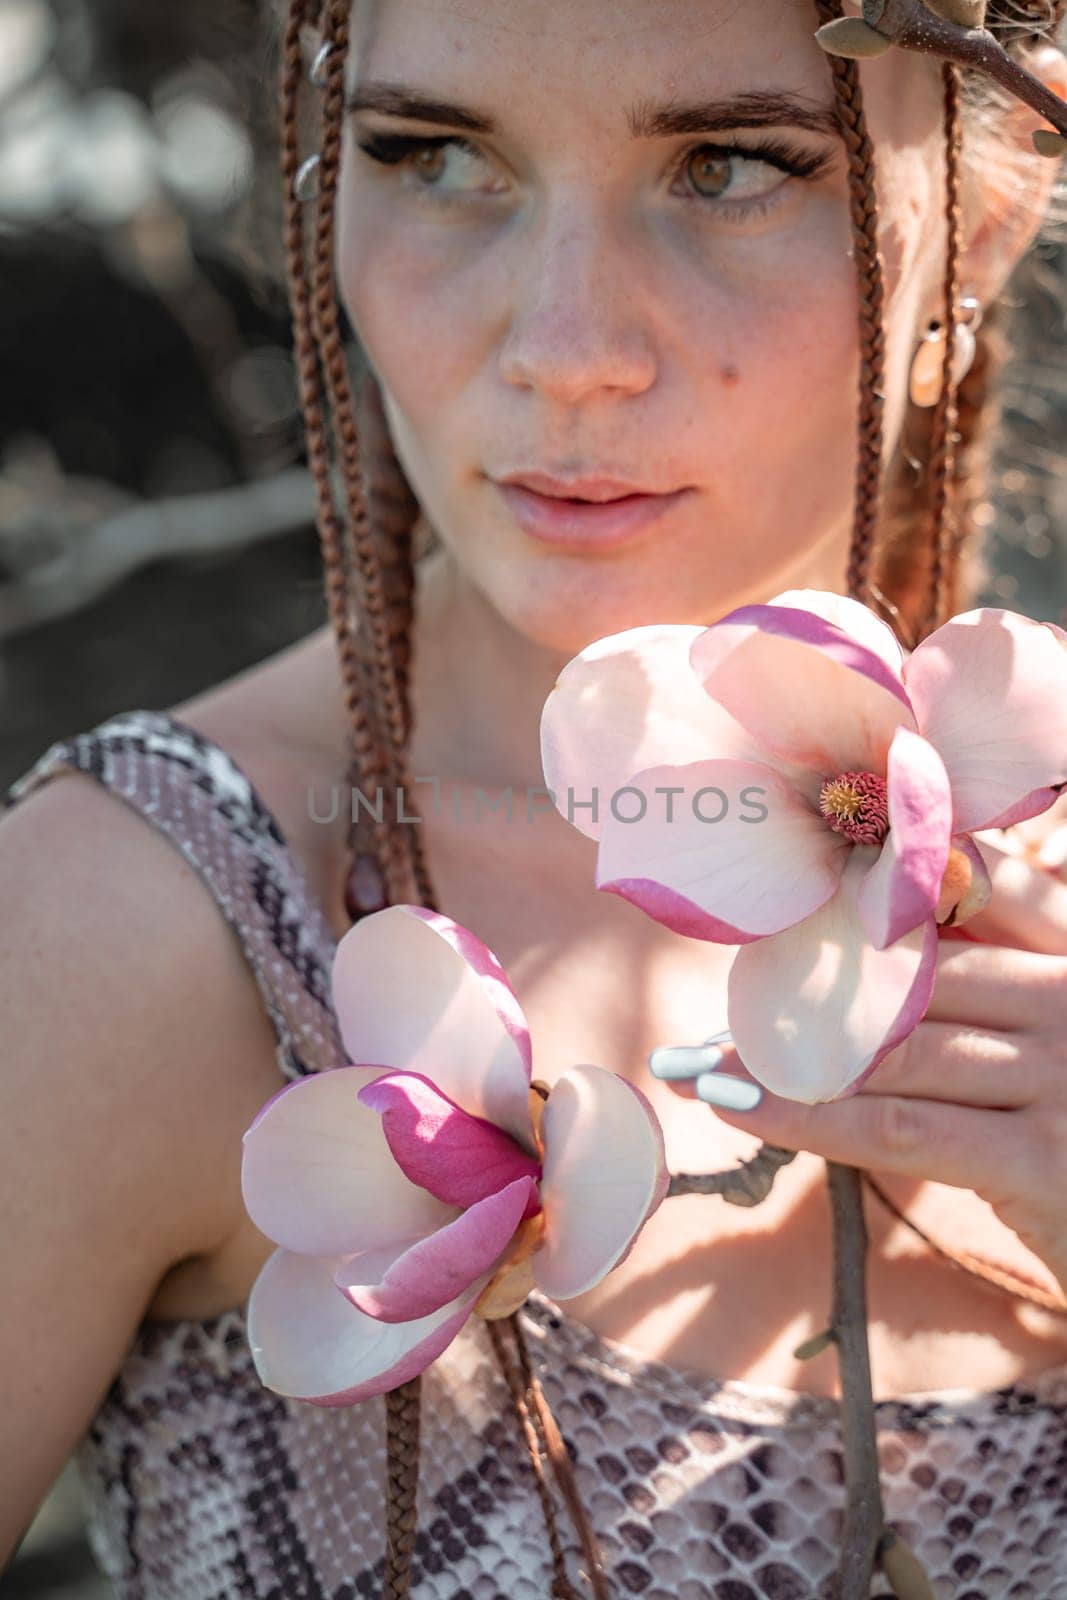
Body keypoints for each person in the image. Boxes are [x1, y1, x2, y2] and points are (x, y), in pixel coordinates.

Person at [3, 0, 1067, 1594]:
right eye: (430, 155)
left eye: (729, 165)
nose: (565, 349)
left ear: (986, 216)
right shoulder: (135, 930)